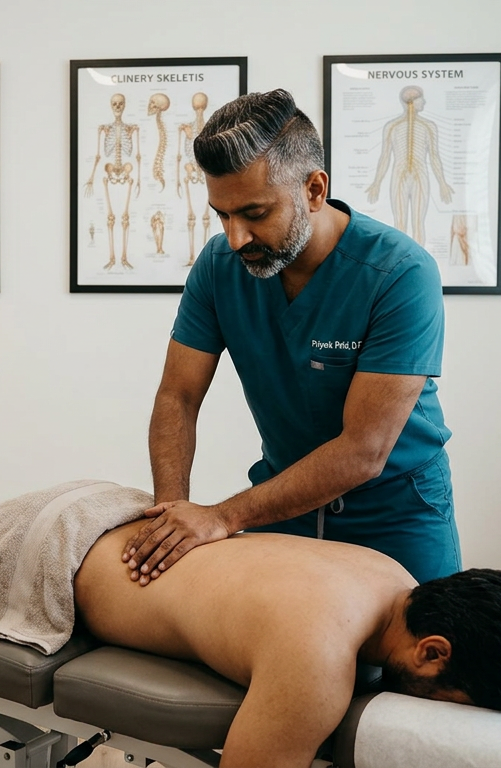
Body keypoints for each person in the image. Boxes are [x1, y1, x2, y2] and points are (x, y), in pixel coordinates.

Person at [127, 88, 457, 587]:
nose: (235, 238)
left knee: (419, 659)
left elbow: (363, 450)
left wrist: (219, 517)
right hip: (280, 507)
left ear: (314, 190)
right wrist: (171, 514)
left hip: (396, 512)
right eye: (222, 214)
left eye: (255, 214)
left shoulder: (400, 273)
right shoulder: (219, 267)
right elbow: (179, 395)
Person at [80, 521, 501, 767]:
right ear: (432, 652)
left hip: (110, 516)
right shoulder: (318, 654)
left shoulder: (391, 575)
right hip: (53, 553)